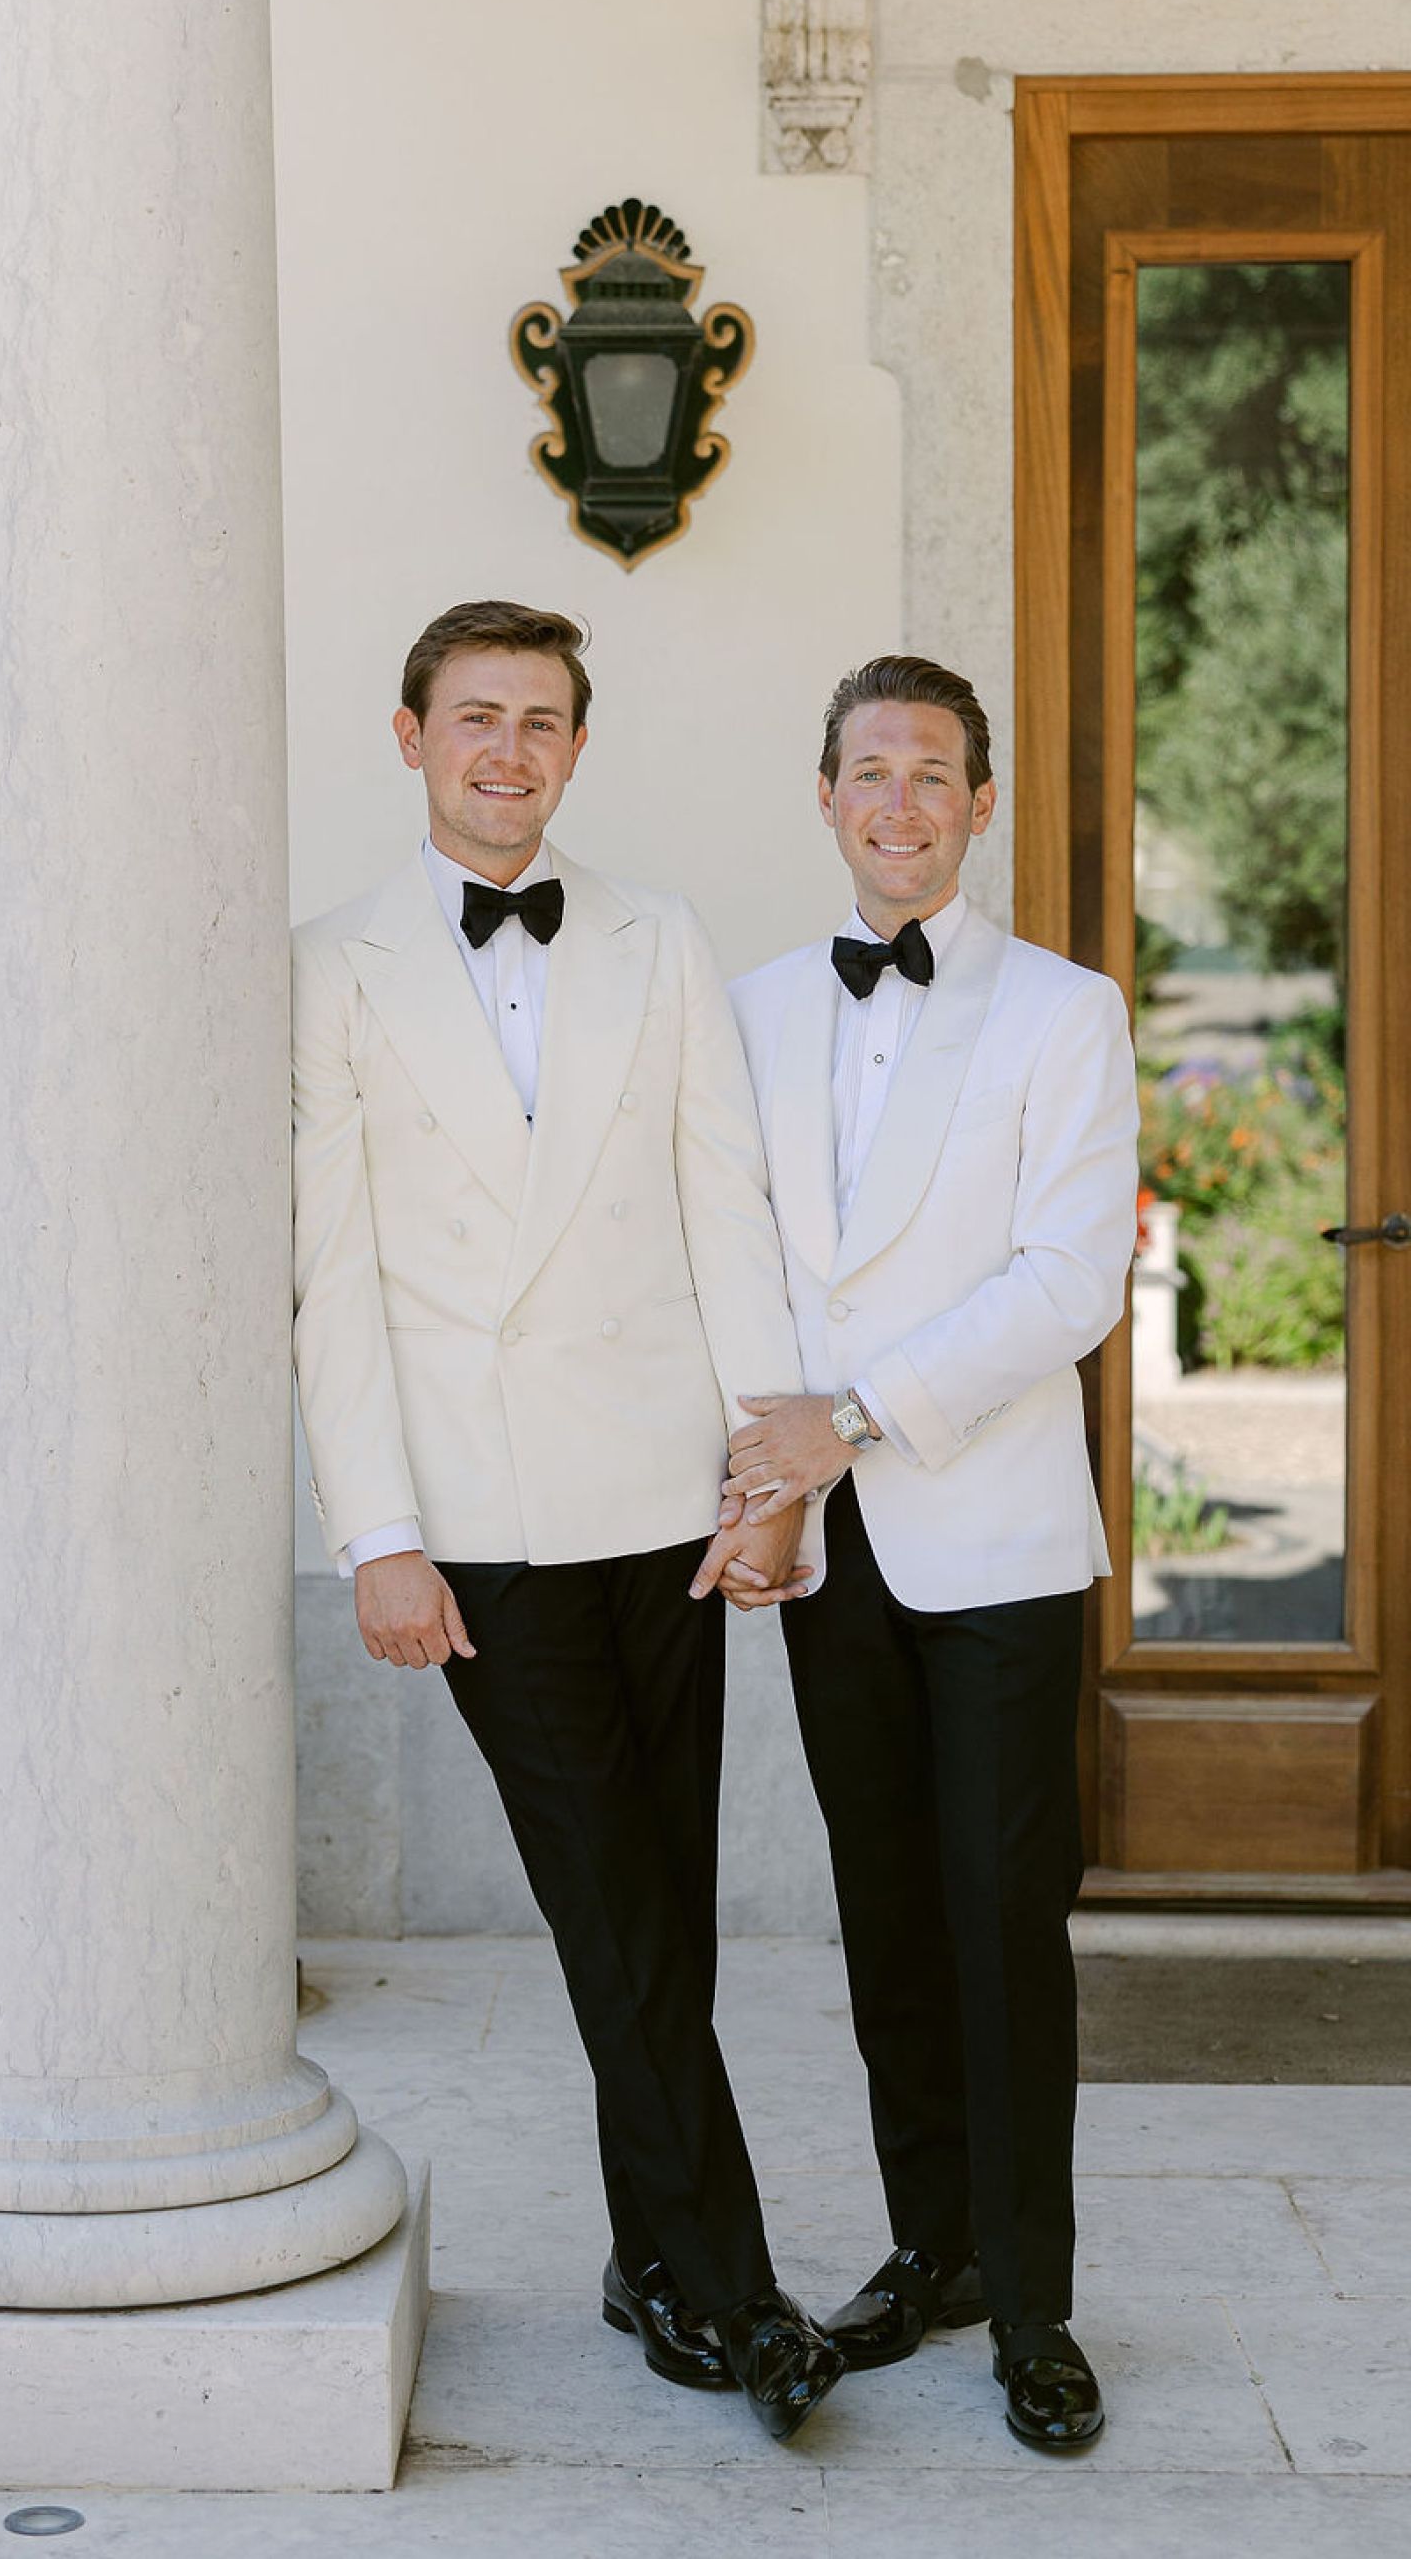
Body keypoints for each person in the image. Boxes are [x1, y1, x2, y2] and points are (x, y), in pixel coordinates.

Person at [291, 599, 844, 2442]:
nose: (507, 753)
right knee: (610, 1908)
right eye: (474, 720)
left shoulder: (658, 937)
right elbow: (333, 1276)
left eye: (540, 723)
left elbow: (726, 1215)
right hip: (483, 1518)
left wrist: (769, 1488)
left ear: (577, 750)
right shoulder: (331, 968)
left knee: (657, 1912)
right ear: (408, 738)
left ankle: (642, 2258)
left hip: (661, 1499)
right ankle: (735, 2291)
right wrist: (378, 1529)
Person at [707, 653, 1138, 2451]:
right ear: (824, 795)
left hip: (997, 1545)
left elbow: (1070, 1285)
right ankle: (931, 2246)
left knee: (1001, 1921)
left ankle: (1033, 2304)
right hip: (830, 1553)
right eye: (868, 770)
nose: (900, 802)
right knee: (886, 1918)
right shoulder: (743, 1011)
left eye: (934, 773)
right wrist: (763, 1482)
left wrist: (851, 1420)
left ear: (979, 804)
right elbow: (733, 1260)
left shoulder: (1065, 1010)